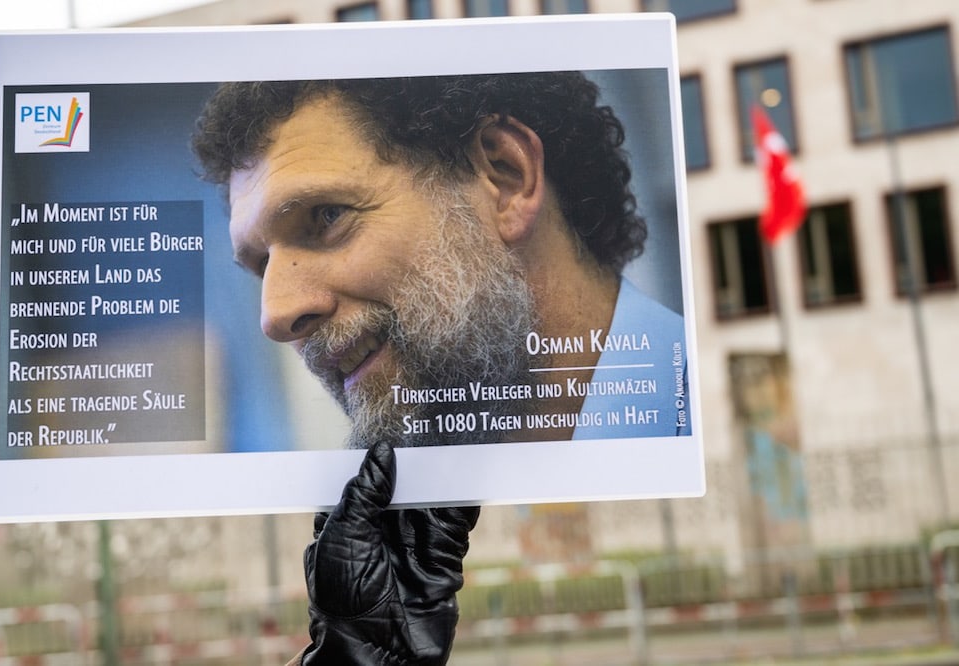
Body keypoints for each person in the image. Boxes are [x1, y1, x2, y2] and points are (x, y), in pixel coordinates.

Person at [192, 72, 689, 664]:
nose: (274, 316)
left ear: (504, 176)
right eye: (260, 266)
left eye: (326, 217)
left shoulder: (685, 428)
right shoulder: (416, 521)